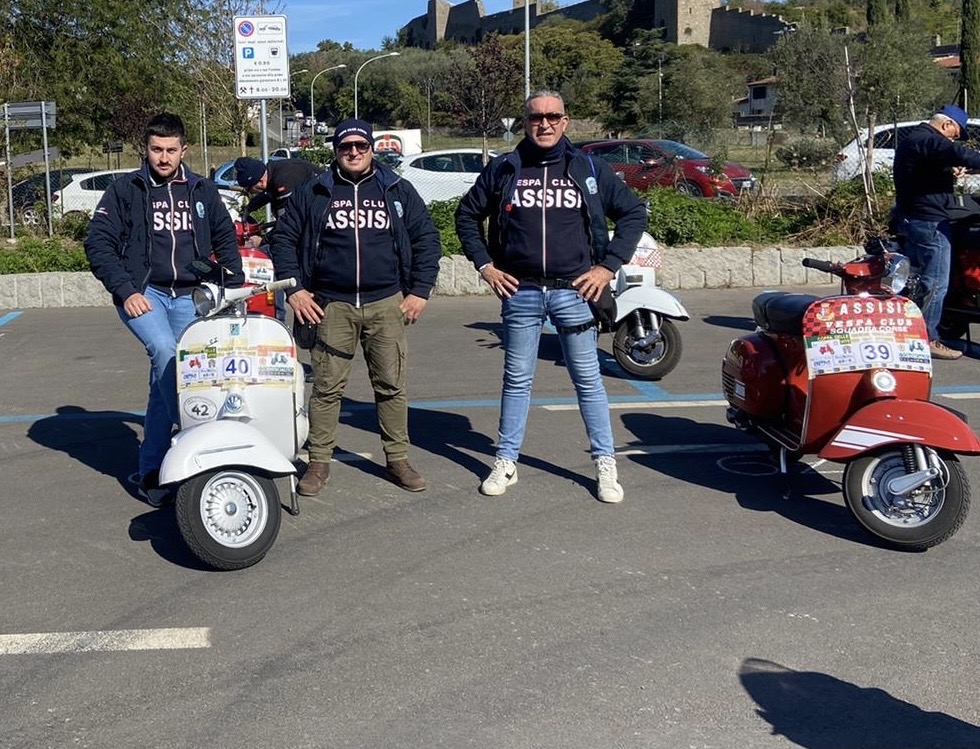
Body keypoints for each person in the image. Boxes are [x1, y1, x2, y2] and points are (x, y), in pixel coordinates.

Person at [455, 91, 647, 504]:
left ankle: (605, 463)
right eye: (536, 117)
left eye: (552, 116)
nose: (544, 123)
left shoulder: (588, 167)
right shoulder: (505, 168)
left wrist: (607, 267)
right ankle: (506, 461)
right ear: (524, 122)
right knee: (517, 380)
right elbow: (467, 215)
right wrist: (485, 266)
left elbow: (633, 213)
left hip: (575, 292)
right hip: (521, 291)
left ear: (565, 121)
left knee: (588, 380)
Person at [269, 118, 441, 496]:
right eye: (346, 146)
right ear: (336, 150)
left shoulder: (396, 189)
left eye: (361, 146)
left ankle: (397, 459)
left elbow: (426, 239)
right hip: (331, 305)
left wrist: (420, 291)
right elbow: (284, 240)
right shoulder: (315, 191)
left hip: (387, 303)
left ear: (371, 148)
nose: (354, 152)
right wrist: (295, 290)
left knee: (391, 385)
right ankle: (318, 462)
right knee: (327, 388)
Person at [84, 112, 244, 506]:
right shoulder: (126, 190)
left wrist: (233, 286)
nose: (164, 157)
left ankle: (151, 468)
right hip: (146, 293)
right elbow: (98, 243)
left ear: (184, 150)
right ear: (146, 149)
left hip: (192, 296)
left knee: (166, 380)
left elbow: (225, 238)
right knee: (166, 353)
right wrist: (126, 290)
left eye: (171, 150)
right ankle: (196, 437)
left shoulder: (202, 190)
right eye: (157, 149)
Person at [893, 103, 980, 360]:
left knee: (918, 281)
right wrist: (962, 159)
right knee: (935, 283)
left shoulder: (916, 141)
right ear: (946, 124)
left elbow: (929, 167)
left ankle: (910, 332)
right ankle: (926, 339)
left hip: (914, 217)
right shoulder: (928, 139)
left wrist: (949, 169)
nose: (954, 139)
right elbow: (956, 152)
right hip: (929, 221)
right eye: (955, 133)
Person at [234, 156, 323, 220]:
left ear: (260, 182)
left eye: (249, 189)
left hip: (323, 214)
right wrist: (248, 208)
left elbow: (287, 223)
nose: (250, 193)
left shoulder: (283, 181)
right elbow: (267, 195)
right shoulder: (272, 173)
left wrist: (264, 239)